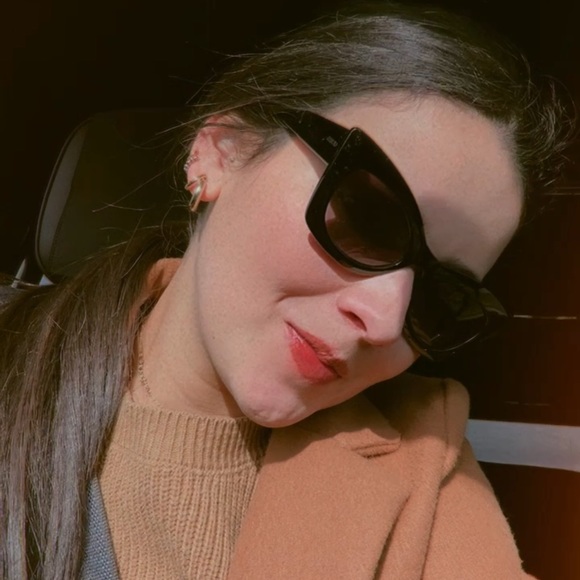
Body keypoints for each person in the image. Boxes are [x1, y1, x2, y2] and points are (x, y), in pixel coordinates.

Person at [0, 2, 573, 579]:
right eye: (368, 217)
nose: (386, 321)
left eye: (442, 296)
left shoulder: (424, 454)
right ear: (219, 152)